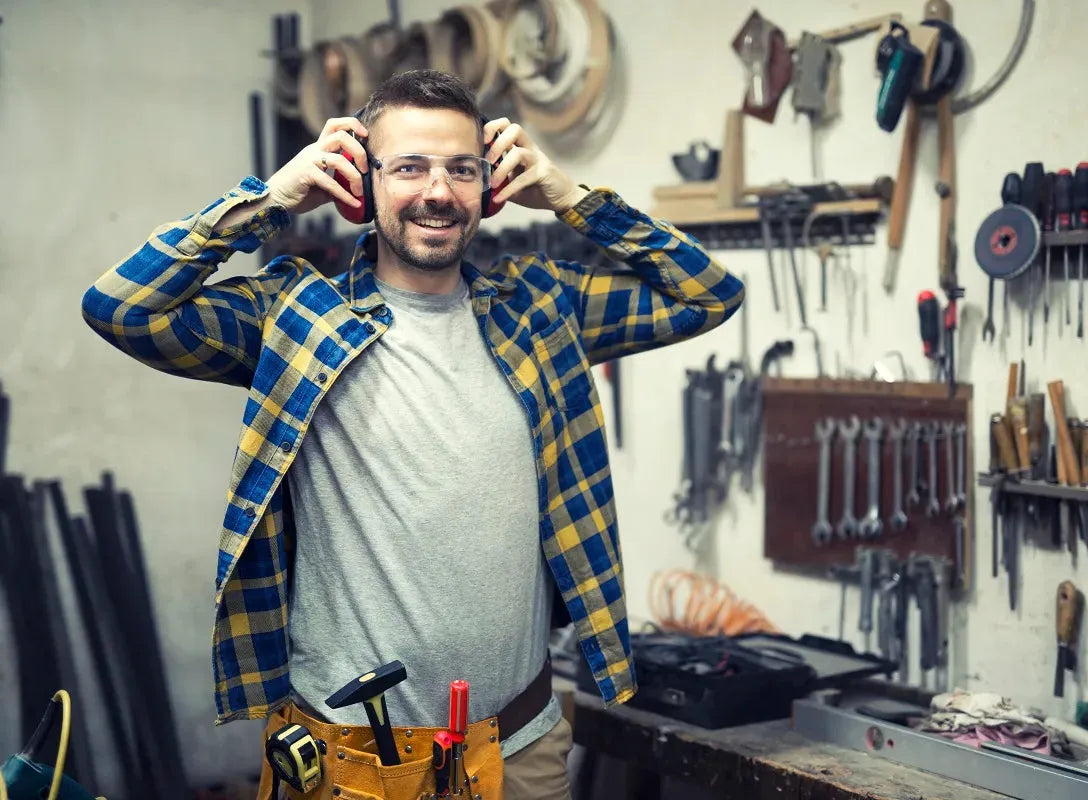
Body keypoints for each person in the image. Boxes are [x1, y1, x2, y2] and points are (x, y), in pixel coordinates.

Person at [81, 69, 743, 799]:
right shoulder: (296, 315)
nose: (438, 192)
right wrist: (268, 201)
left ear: (490, 186)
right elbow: (120, 308)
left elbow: (708, 293)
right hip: (348, 761)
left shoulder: (542, 308)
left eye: (462, 169)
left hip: (518, 750)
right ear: (362, 184)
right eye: (409, 167)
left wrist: (568, 196)